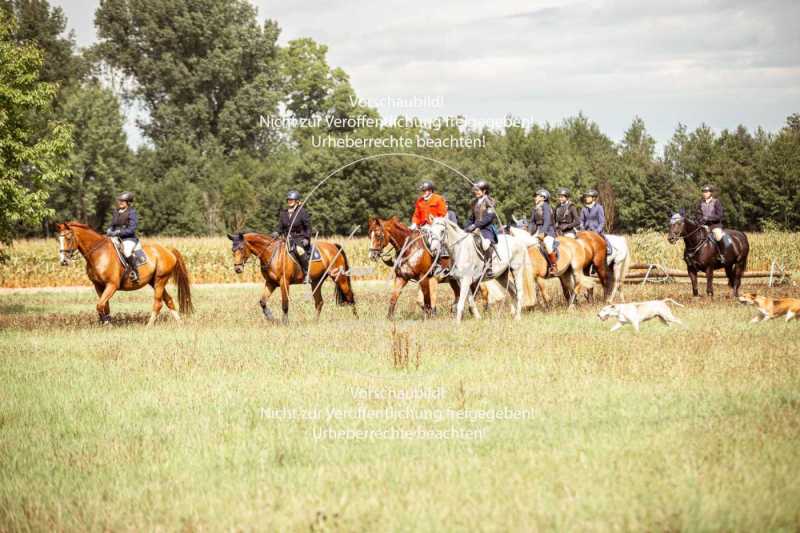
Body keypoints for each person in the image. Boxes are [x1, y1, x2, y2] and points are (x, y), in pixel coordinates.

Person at [276, 190, 312, 282]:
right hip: (286, 239)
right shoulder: (283, 213)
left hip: (300, 238)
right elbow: (280, 227)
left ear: (297, 201)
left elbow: (308, 227)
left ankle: (307, 273)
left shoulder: (302, 212)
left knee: (299, 250)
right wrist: (276, 232)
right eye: (288, 200)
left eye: (292, 200)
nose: (289, 201)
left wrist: (306, 238)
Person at [464, 180, 498, 277]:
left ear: (484, 191)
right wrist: (466, 227)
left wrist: (476, 225)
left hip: (486, 228)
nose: (476, 192)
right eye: (476, 190)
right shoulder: (474, 202)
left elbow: (489, 217)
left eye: (478, 190)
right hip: (475, 228)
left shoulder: (490, 201)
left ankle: (488, 267)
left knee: (486, 243)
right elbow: (472, 218)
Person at [106, 191, 140, 282]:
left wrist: (119, 232)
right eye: (119, 201)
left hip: (129, 238)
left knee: (127, 251)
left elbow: (132, 229)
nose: (120, 203)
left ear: (128, 202)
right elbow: (113, 225)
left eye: (123, 201)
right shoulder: (116, 212)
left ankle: (135, 272)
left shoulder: (132, 212)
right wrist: (109, 230)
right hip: (115, 237)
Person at [694, 184, 733, 262]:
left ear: (710, 193)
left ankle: (722, 255)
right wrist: (700, 219)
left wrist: (708, 218)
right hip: (703, 225)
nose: (704, 193)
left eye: (706, 192)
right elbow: (698, 214)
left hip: (715, 225)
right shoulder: (700, 203)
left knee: (718, 236)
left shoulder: (716, 202)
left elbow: (720, 215)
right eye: (703, 192)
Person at [528, 189, 558, 275]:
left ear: (543, 197)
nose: (535, 197)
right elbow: (532, 222)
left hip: (548, 231)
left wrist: (542, 232)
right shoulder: (535, 207)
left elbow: (547, 221)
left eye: (537, 196)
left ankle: (554, 265)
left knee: (548, 245)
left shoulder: (546, 206)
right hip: (537, 231)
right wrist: (529, 232)